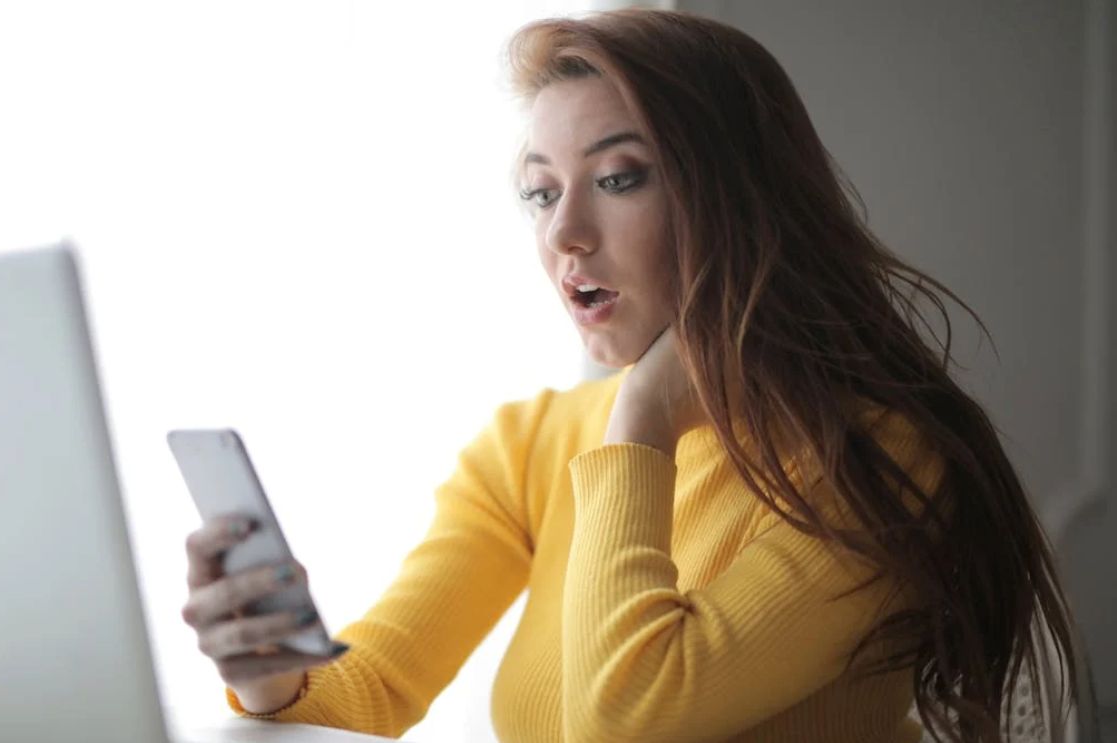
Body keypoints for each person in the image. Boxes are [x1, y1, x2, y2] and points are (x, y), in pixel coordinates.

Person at [179, 8, 1079, 742]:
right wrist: (267, 675)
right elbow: (366, 697)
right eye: (541, 190)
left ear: (738, 201)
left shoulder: (879, 463)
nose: (564, 233)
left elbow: (629, 716)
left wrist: (642, 419)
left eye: (617, 178)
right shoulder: (524, 446)